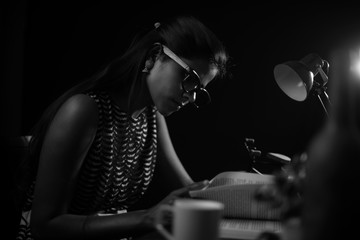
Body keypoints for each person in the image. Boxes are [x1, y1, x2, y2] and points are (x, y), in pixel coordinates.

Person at [14, 14, 229, 240]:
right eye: (190, 79)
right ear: (154, 56)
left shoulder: (151, 118)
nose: (190, 96)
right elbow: (45, 225)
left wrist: (244, 194)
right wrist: (147, 217)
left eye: (199, 91)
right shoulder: (84, 110)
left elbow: (188, 190)